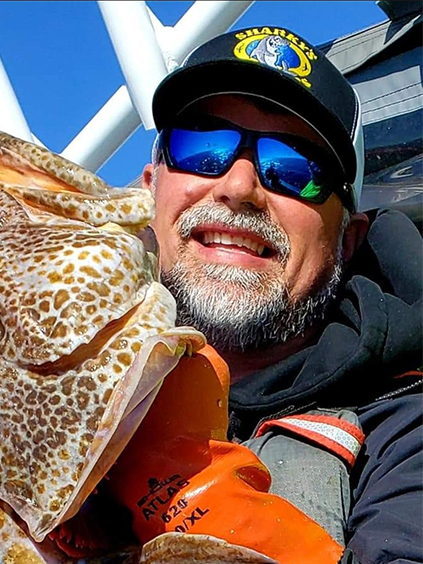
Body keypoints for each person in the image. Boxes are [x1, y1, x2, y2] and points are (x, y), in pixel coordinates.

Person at [137, 25, 422, 564]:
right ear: (150, 187)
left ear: (347, 239)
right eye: (201, 145)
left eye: (295, 168)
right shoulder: (36, 367)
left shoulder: (408, 433)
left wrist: (200, 514)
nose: (239, 187)